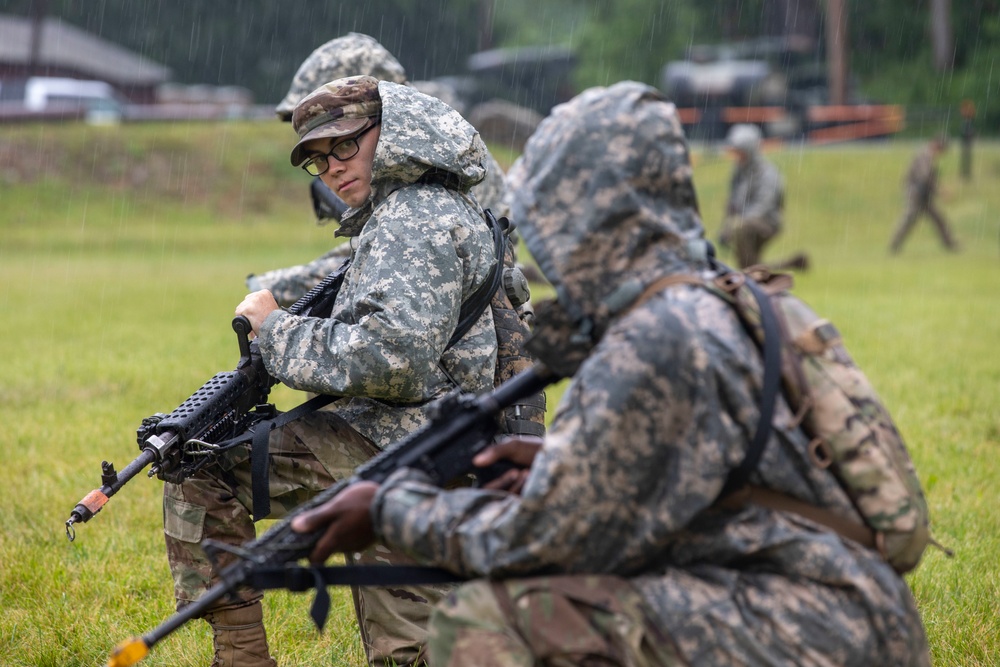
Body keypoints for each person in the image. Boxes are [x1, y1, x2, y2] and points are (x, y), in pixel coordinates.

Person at [289, 81, 930, 666]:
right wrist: (557, 467)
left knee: (493, 617)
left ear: (582, 209)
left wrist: (391, 508)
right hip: (858, 619)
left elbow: (537, 544)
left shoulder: (652, 341)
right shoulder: (741, 301)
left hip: (800, 632)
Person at [163, 75, 501, 666]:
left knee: (198, 466)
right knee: (412, 650)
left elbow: (392, 362)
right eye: (319, 160)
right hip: (435, 434)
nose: (335, 168)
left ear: (392, 135)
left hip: (401, 436)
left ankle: (241, 660)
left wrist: (277, 330)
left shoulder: (409, 219)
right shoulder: (427, 206)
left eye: (346, 146)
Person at [251, 32, 514, 309]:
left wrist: (271, 291)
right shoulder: (422, 154)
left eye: (339, 138)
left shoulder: (429, 172)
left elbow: (392, 255)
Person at [719, 123, 809, 271]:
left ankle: (751, 274)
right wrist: (725, 228)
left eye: (739, 151)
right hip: (745, 223)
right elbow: (733, 204)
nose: (736, 156)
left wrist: (738, 224)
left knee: (741, 234)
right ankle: (767, 270)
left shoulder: (768, 174)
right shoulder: (738, 173)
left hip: (767, 224)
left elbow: (763, 206)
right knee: (749, 258)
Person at [889, 137, 959, 254]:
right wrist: (940, 190)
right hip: (916, 192)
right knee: (909, 219)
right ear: (937, 146)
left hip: (923, 193)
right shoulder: (925, 155)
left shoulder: (927, 155)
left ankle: (950, 244)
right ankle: (894, 245)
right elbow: (924, 176)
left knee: (938, 219)